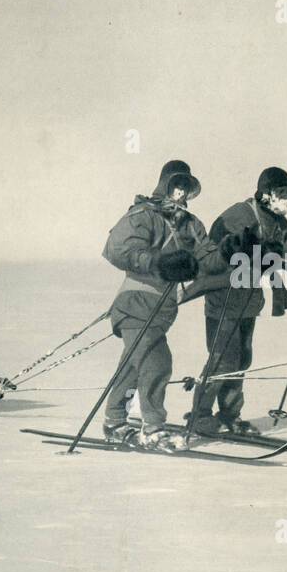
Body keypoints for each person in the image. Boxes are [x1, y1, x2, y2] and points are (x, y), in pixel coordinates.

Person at [100, 160, 240, 452]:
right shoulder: (143, 215)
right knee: (156, 361)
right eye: (176, 185)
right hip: (135, 302)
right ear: (164, 184)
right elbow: (117, 250)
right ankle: (153, 428)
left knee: (134, 366)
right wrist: (159, 262)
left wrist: (229, 249)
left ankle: (114, 422)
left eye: (185, 187)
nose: (180, 192)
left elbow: (208, 260)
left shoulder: (190, 224)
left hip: (162, 309)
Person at [187, 166, 287, 437]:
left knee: (242, 359)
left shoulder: (278, 223)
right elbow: (216, 253)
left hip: (248, 300)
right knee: (222, 360)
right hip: (223, 297)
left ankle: (230, 415)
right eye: (281, 192)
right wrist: (255, 252)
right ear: (265, 193)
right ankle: (199, 416)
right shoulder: (239, 214)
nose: (286, 198)